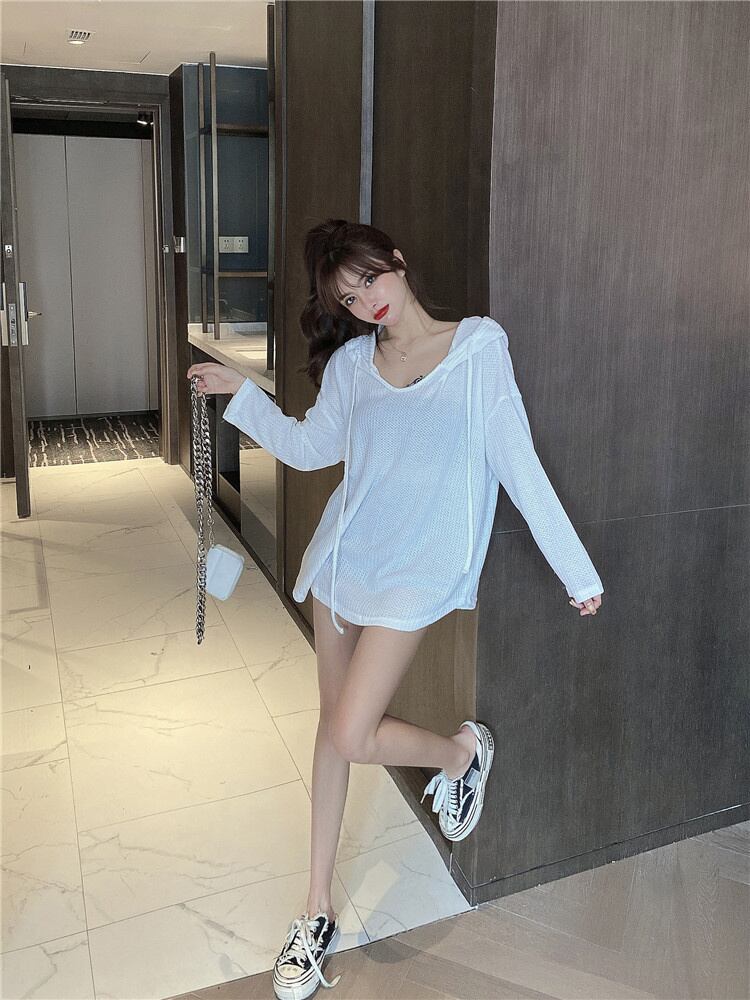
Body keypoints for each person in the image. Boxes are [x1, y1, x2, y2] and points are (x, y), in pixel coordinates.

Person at [186, 218, 604, 999]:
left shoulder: (477, 349)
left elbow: (517, 461)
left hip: (415, 572)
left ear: (398, 263)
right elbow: (312, 448)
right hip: (345, 560)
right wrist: (240, 395)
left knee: (351, 731)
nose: (366, 302)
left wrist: (574, 569)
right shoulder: (353, 364)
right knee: (332, 732)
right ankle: (314, 911)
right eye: (349, 298)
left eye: (370, 280)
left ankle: (460, 756)